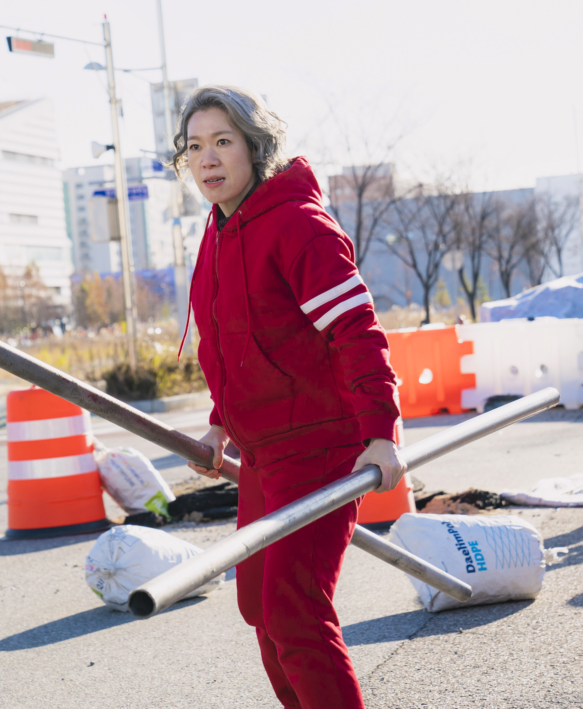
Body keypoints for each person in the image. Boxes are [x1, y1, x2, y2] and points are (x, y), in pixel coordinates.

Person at [174, 85, 405, 709]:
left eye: (223, 142)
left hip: (322, 447)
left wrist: (381, 432)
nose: (208, 159)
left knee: (294, 608)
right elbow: (234, 347)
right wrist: (220, 427)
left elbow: (356, 331)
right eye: (195, 146)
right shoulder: (219, 233)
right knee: (259, 607)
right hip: (262, 456)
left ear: (256, 147)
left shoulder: (298, 225)